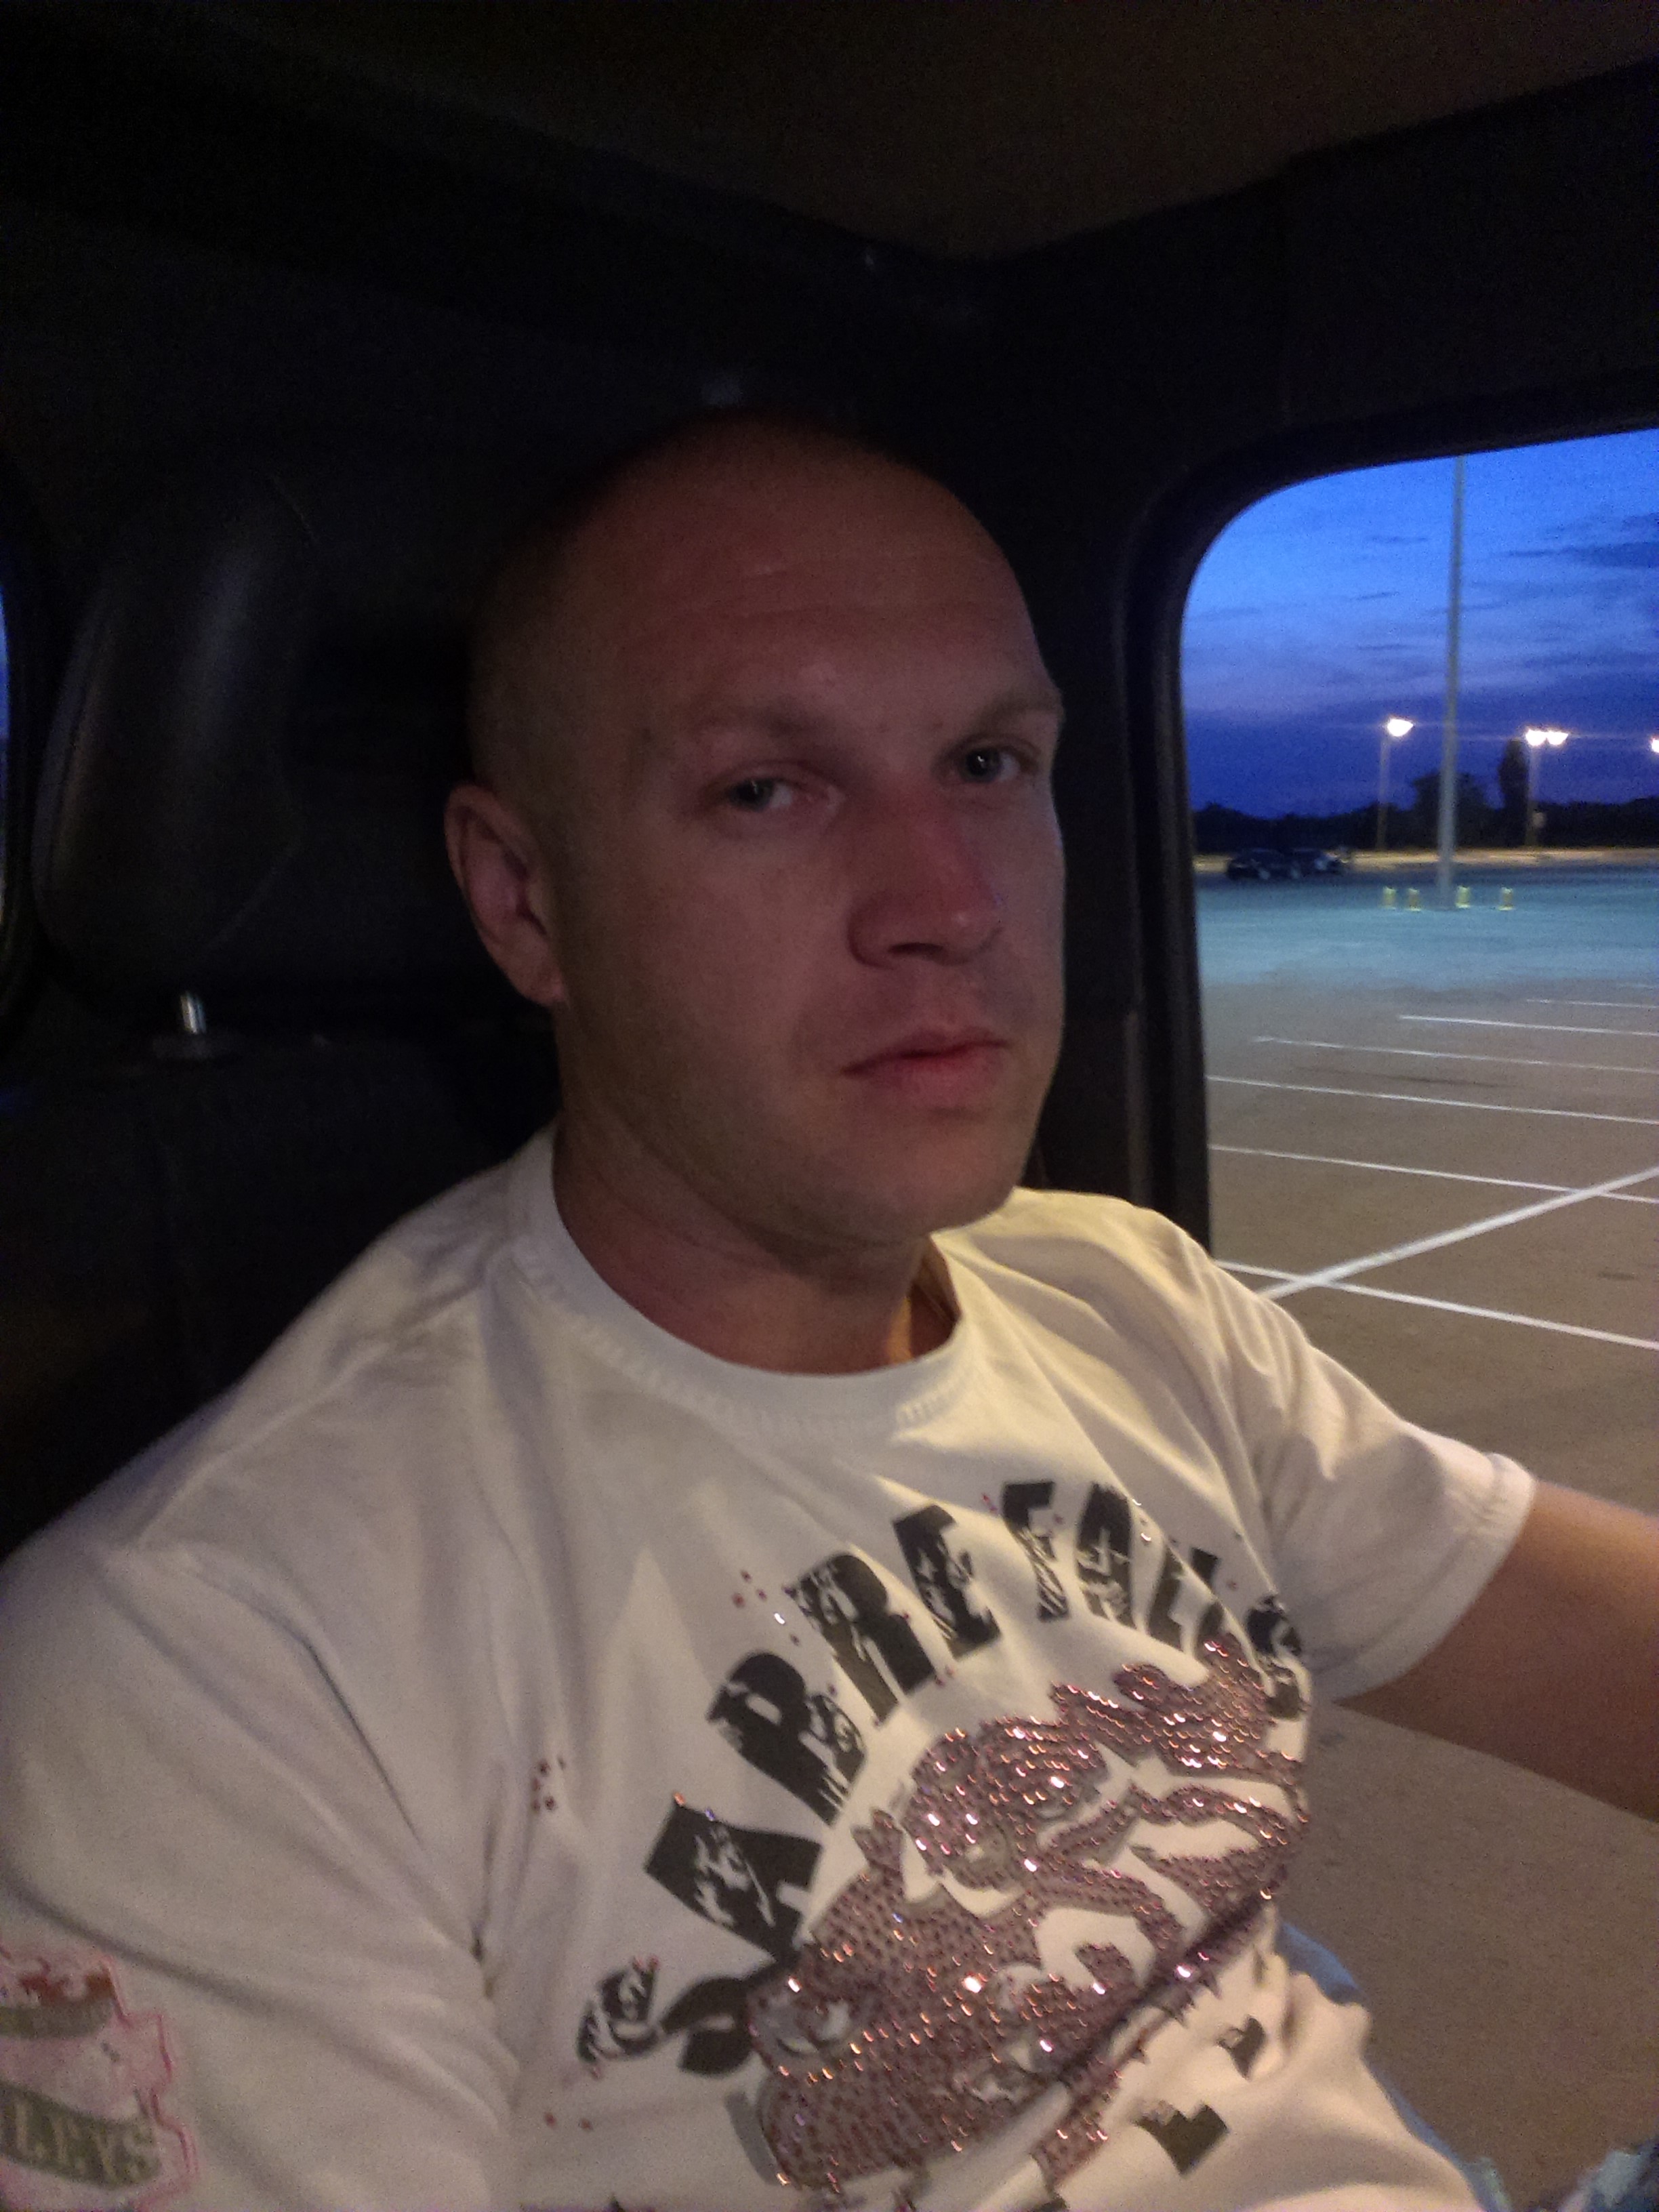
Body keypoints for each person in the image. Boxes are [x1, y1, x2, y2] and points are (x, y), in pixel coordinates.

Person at [0, 413, 1654, 2212]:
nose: (949, 904)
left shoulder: (1125, 1300)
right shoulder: (214, 1663)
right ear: (524, 899)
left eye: (987, 762)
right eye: (765, 792)